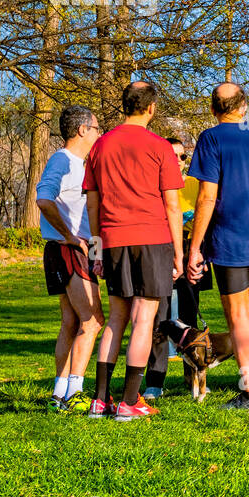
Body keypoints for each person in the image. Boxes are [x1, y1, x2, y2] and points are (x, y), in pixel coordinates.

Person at [83, 81, 183, 421]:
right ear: (152, 108)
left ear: (124, 105)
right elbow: (172, 205)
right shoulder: (160, 147)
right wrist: (178, 253)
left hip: (111, 240)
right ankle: (129, 401)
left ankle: (99, 400)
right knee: (143, 319)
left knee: (115, 319)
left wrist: (97, 249)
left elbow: (92, 204)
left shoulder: (100, 146)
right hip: (152, 239)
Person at [186, 83, 249, 411]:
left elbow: (207, 196)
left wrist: (195, 246)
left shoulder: (211, 139)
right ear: (243, 106)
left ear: (214, 109)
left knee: (237, 316)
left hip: (230, 238)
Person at [35, 105, 105, 412]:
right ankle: (73, 393)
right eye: (97, 128)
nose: (99, 133)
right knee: (93, 320)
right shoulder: (63, 160)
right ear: (82, 130)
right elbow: (43, 198)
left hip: (72, 250)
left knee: (71, 321)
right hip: (66, 250)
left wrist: (95, 252)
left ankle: (59, 394)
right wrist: (69, 236)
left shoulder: (81, 162)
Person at [146, 135, 212, 400]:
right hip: (160, 249)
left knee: (189, 318)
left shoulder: (195, 184)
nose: (178, 161)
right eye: (172, 155)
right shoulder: (152, 183)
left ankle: (192, 377)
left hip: (190, 248)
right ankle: (154, 381)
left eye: (182, 156)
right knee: (158, 319)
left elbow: (208, 214)